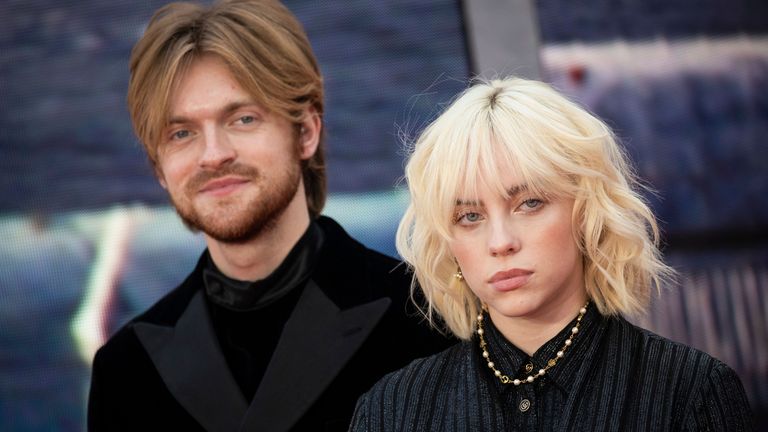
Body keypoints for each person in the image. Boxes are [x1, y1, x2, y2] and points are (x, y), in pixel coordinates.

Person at [86, 1, 453, 431]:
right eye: (181, 133)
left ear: (306, 132)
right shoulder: (126, 371)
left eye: (242, 119)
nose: (214, 155)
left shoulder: (427, 320)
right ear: (158, 167)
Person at [349, 77, 754, 431]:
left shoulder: (690, 393)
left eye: (529, 203)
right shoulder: (392, 409)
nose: (500, 241)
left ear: (586, 211)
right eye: (469, 215)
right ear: (448, 243)